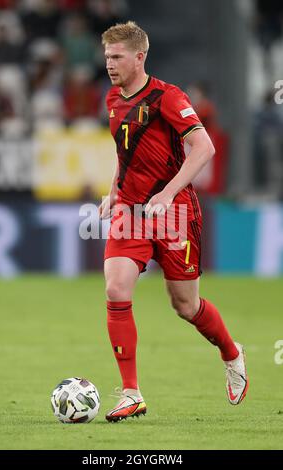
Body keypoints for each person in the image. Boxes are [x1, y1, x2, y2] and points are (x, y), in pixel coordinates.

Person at [99, 21, 248, 423]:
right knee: (116, 288)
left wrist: (167, 194)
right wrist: (115, 189)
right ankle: (131, 392)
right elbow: (125, 151)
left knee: (185, 305)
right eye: (107, 56)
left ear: (139, 57)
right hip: (131, 211)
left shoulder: (167, 96)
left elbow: (204, 147)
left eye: (117, 57)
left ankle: (231, 352)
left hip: (174, 211)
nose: (110, 64)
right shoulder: (113, 98)